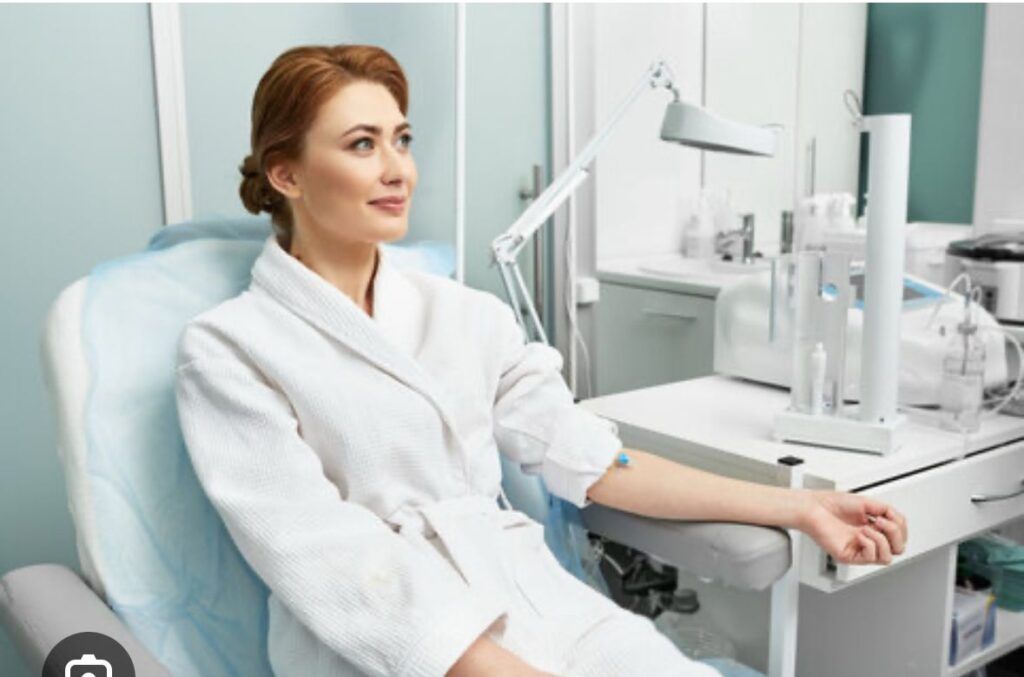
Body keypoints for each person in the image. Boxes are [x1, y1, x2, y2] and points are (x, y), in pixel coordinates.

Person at [174, 44, 908, 677]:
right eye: (362, 144)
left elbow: (596, 461)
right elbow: (322, 555)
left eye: (403, 139)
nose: (399, 168)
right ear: (287, 175)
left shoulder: (464, 314)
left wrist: (803, 505)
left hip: (533, 596)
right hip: (394, 644)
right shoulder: (232, 348)